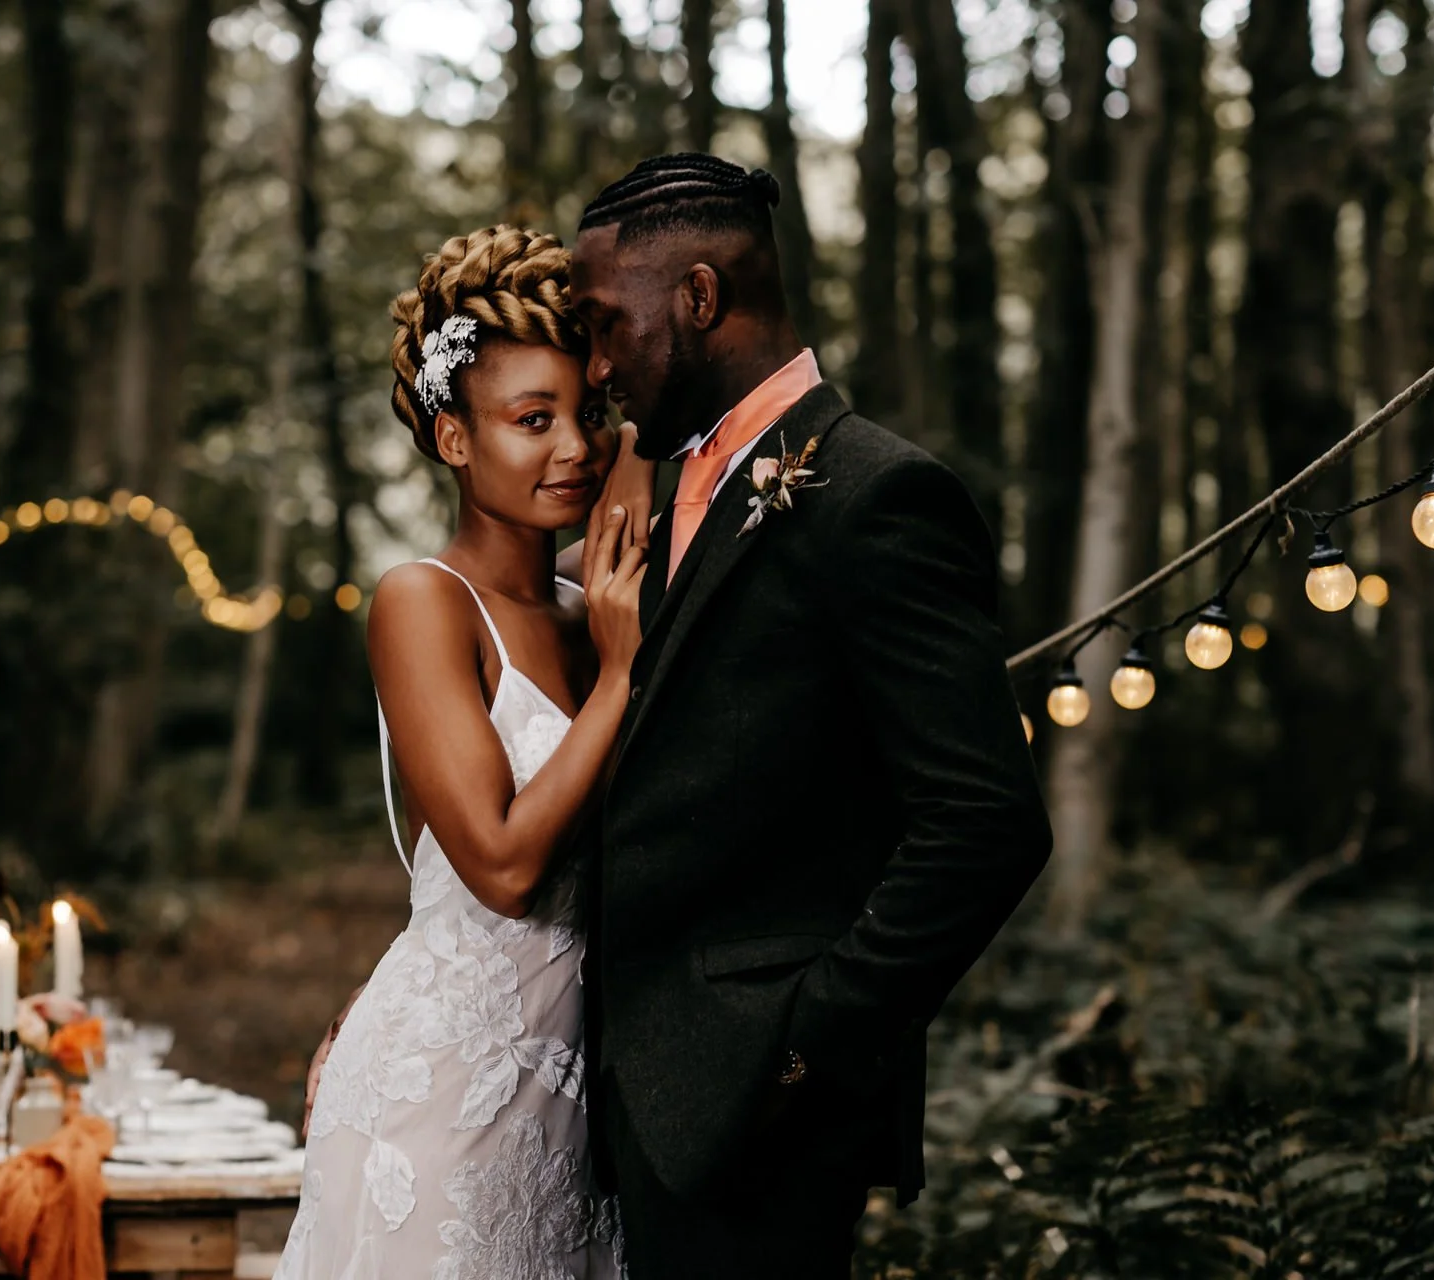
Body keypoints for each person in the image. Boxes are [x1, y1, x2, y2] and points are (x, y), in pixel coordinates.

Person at [565, 153, 1053, 1277]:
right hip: (631, 1109)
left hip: (758, 1113)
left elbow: (986, 821)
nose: (594, 366)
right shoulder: (667, 486)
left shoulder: (881, 495)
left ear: (698, 297)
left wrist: (804, 1048)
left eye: (604, 326)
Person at [274, 225, 643, 1279]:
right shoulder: (424, 602)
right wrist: (619, 679)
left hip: (569, 1114)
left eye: (587, 412)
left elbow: (659, 456)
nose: (572, 445)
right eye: (532, 419)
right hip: (437, 1094)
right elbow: (505, 864)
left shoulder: (590, 598)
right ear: (453, 438)